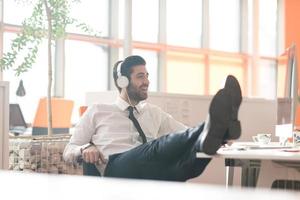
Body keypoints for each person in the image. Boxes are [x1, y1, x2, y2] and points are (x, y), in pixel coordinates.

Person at [63, 55, 242, 181]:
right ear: (123, 81)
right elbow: (68, 150)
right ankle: (215, 126)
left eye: (147, 76)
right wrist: (85, 148)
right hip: (116, 169)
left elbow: (184, 134)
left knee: (186, 164)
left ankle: (217, 133)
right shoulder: (98, 110)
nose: (147, 81)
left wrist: (218, 137)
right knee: (155, 148)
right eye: (140, 76)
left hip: (148, 168)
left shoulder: (153, 112)